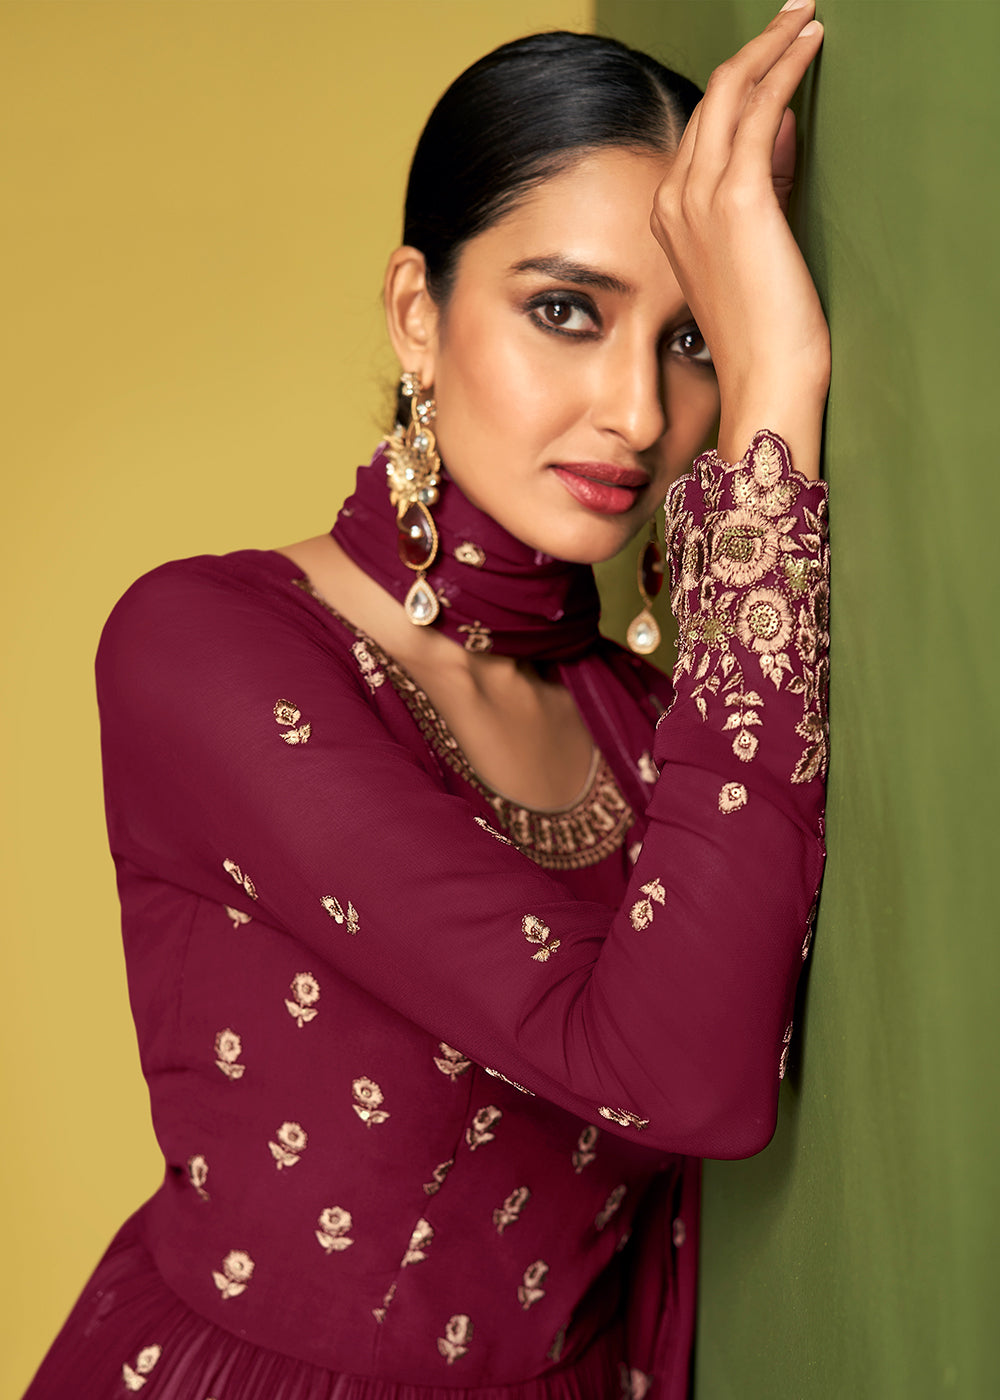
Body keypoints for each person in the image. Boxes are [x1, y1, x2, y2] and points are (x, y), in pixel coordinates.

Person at [25, 6, 830, 1398]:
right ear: (417, 312)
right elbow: (669, 1072)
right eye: (566, 311)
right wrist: (780, 393)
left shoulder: (667, 724)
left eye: (696, 341)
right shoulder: (206, 651)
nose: (639, 413)